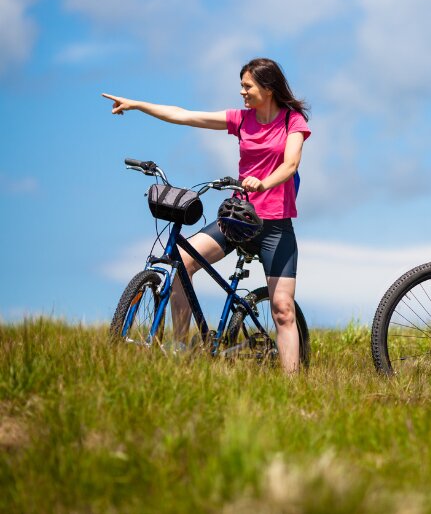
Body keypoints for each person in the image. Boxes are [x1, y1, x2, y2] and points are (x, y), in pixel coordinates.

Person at [102, 57, 311, 373]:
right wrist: (137, 105)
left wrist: (264, 182)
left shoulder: (291, 121)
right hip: (237, 219)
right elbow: (184, 115)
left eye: (247, 86)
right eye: (241, 86)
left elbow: (291, 163)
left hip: (276, 226)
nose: (242, 92)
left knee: (283, 309)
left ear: (268, 88)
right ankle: (181, 352)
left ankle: (292, 385)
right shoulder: (241, 119)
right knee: (182, 264)